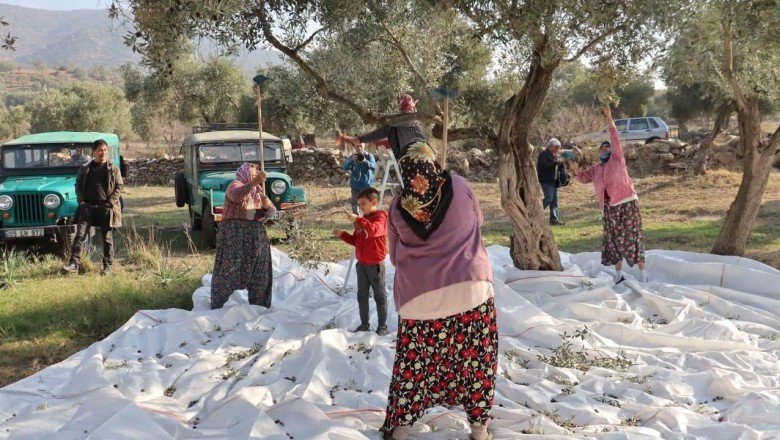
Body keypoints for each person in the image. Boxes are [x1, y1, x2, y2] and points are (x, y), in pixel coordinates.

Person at [347, 97, 496, 440]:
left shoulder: (398, 206)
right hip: (472, 289)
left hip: (420, 301)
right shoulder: (459, 185)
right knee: (476, 360)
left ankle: (400, 428)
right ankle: (479, 428)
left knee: (415, 368)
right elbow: (479, 221)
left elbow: (396, 259)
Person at [577, 106, 648, 283]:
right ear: (598, 152)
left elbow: (614, 135)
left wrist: (609, 117)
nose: (605, 150)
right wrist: (574, 167)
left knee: (633, 238)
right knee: (613, 241)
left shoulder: (617, 160)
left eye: (608, 147)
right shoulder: (596, 168)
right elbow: (582, 177)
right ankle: (618, 275)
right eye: (602, 148)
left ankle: (643, 274)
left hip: (627, 204)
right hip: (609, 209)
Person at [210, 163, 277, 309]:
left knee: (260, 270)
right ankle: (219, 306)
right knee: (229, 268)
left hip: (255, 235)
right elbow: (235, 196)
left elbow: (272, 212)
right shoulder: (235, 185)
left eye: (257, 172)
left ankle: (260, 306)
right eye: (253, 172)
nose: (257, 174)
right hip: (235, 234)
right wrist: (253, 183)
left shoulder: (259, 190)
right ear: (245, 172)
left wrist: (267, 206)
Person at [332, 187, 388, 336]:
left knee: (379, 296)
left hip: (375, 265)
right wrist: (342, 235)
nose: (360, 208)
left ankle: (382, 326)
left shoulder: (381, 217)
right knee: (362, 296)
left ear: (374, 202)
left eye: (363, 204)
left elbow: (374, 230)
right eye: (359, 204)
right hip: (361, 265)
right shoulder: (362, 220)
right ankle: (364, 324)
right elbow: (356, 240)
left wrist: (358, 219)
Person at [63, 139, 123, 276]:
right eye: (100, 150)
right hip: (87, 207)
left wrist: (110, 202)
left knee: (107, 238)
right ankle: (74, 263)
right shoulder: (85, 168)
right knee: (80, 235)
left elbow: (119, 186)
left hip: (106, 208)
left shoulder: (113, 168)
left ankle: (108, 266)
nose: (103, 153)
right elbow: (77, 185)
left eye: (105, 150)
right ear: (94, 152)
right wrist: (81, 201)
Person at [537, 138, 566, 225]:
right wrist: (556, 162)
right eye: (556, 147)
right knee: (549, 198)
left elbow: (555, 166)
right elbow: (543, 166)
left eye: (558, 147)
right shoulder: (543, 154)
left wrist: (559, 163)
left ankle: (554, 220)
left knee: (554, 201)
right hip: (546, 180)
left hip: (553, 181)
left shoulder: (553, 155)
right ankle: (534, 213)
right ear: (550, 146)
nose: (558, 149)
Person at [342, 143, 377, 214]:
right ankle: (357, 223)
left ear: (364, 145)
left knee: (368, 207)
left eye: (360, 145)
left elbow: (374, 166)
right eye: (357, 146)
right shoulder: (353, 157)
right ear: (354, 147)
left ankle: (368, 223)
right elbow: (345, 167)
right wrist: (352, 160)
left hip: (367, 187)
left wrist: (365, 161)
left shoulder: (369, 156)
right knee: (355, 206)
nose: (359, 148)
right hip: (356, 187)